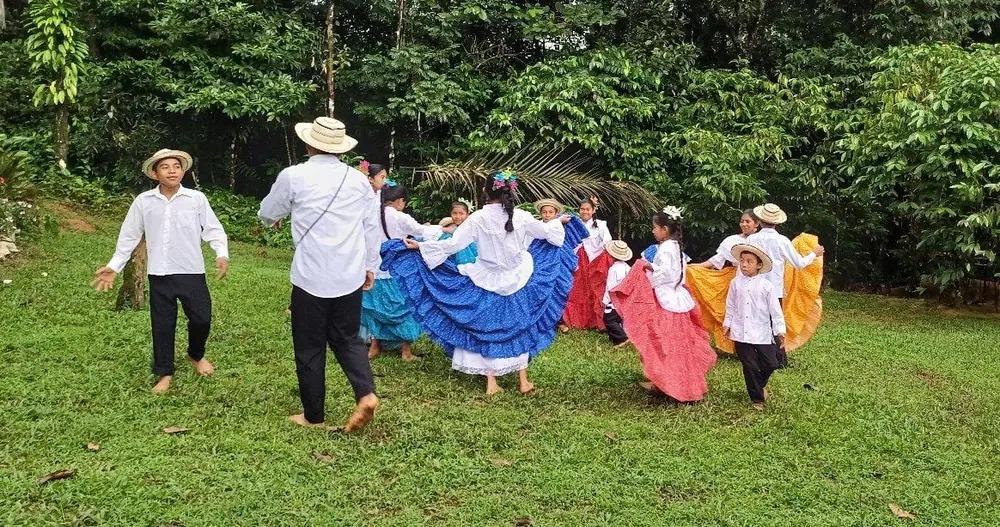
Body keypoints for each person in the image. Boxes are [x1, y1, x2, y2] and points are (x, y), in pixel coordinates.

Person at [381, 171, 588, 395]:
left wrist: (420, 247)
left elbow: (453, 245)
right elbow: (552, 236)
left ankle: (491, 382)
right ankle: (523, 381)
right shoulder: (522, 217)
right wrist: (559, 220)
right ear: (512, 191)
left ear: (486, 192)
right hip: (519, 277)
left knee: (485, 326)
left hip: (485, 277)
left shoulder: (478, 218)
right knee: (521, 324)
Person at [258, 117, 380, 432]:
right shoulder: (357, 180)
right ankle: (366, 393)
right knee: (347, 338)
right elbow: (370, 227)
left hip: (310, 275)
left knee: (310, 346)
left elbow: (269, 211)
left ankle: (313, 415)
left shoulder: (293, 175)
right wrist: (370, 266)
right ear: (340, 148)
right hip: (349, 274)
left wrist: (276, 217)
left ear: (309, 143)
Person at [91, 149, 229, 394]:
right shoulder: (144, 202)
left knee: (201, 318)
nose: (172, 170)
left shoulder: (196, 199)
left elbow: (213, 229)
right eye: (165, 167)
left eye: (176, 166)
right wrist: (114, 266)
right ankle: (164, 373)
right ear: (155, 174)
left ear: (183, 171)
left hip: (191, 271)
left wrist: (221, 254)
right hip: (160, 273)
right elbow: (129, 236)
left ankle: (196, 355)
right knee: (162, 325)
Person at [610, 206, 717, 403]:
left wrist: (648, 267)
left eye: (655, 227)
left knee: (662, 343)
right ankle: (667, 381)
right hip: (676, 300)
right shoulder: (676, 246)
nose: (653, 231)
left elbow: (665, 275)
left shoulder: (666, 248)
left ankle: (668, 382)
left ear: (664, 230)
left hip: (666, 301)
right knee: (676, 345)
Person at [746, 203, 824, 366]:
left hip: (753, 286)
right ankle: (779, 359)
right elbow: (799, 263)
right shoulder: (782, 241)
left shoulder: (752, 239)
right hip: (774, 288)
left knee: (755, 321)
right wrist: (813, 254)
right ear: (777, 222)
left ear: (760, 220)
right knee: (776, 322)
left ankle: (756, 355)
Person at [364, 183, 430, 361]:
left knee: (375, 307)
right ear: (400, 201)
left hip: (373, 267)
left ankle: (375, 346)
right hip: (396, 269)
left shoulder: (370, 215)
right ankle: (406, 351)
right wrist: (441, 229)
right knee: (406, 306)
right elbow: (422, 232)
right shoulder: (402, 217)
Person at [723, 244, 785, 411]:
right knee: (749, 366)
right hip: (740, 331)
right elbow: (730, 306)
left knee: (771, 363)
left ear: (759, 265)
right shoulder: (735, 283)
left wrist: (780, 330)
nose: (744, 264)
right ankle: (757, 399)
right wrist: (727, 324)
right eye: (742, 261)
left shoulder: (767, 286)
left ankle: (758, 385)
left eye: (749, 261)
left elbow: (775, 310)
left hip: (762, 332)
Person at [562, 198, 613, 332]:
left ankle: (597, 322)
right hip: (577, 260)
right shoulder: (572, 224)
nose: (585, 212)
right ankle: (574, 320)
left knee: (594, 289)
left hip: (594, 262)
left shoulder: (601, 225)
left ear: (593, 210)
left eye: (588, 209)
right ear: (579, 210)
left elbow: (608, 243)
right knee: (576, 289)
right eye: (582, 209)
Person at [692, 210, 760, 269]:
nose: (744, 224)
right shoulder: (732, 240)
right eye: (742, 221)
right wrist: (698, 266)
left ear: (756, 223)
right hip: (734, 276)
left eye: (748, 222)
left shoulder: (761, 240)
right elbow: (717, 260)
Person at [603, 240, 632, 348]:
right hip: (624, 298)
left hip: (614, 300)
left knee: (609, 319)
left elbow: (610, 287)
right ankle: (615, 338)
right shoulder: (627, 267)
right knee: (619, 318)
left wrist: (605, 301)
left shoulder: (613, 269)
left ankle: (622, 338)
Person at [438, 201, 478, 265]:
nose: (458, 217)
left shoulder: (471, 227)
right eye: (454, 213)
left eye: (461, 213)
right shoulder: (448, 228)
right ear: (450, 214)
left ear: (467, 215)